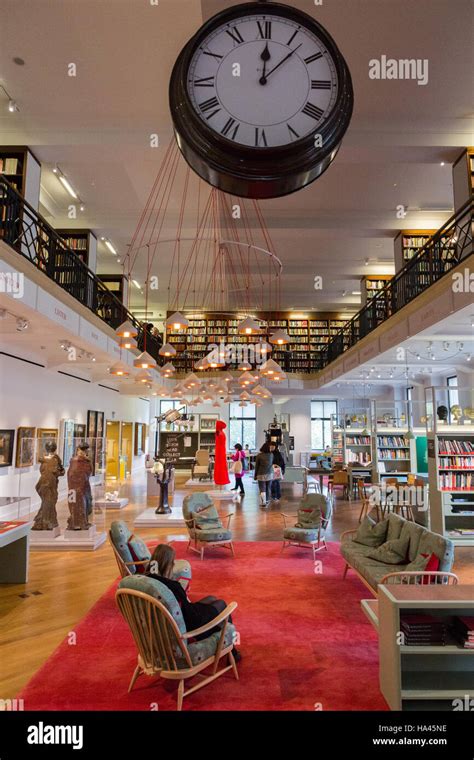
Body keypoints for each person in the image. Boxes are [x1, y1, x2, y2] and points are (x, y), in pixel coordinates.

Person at [146, 544, 241, 660]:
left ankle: (224, 638)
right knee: (221, 604)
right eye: (172, 562)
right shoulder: (173, 586)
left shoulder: (149, 580)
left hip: (180, 616)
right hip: (190, 623)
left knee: (211, 598)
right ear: (167, 564)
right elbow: (189, 613)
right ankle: (232, 651)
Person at [253, 441, 273, 507]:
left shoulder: (259, 455)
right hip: (270, 474)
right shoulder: (271, 455)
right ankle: (267, 501)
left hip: (261, 474)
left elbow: (257, 466)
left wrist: (255, 475)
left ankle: (263, 502)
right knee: (268, 488)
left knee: (262, 488)